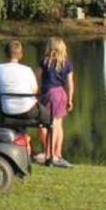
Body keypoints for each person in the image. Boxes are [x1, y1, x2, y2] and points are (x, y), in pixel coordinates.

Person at [37, 36, 75, 168]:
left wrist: (38, 93)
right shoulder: (67, 64)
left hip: (48, 93)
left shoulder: (45, 62)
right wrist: (70, 99)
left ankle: (49, 154)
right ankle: (57, 153)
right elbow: (70, 84)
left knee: (45, 125)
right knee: (58, 125)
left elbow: (38, 78)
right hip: (61, 93)